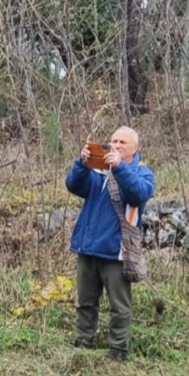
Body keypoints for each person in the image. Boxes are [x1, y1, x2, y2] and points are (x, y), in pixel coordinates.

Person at [66, 127, 155, 362]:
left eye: (122, 142)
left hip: (116, 251)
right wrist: (82, 164)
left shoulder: (142, 173)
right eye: (113, 140)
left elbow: (138, 194)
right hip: (88, 247)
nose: (115, 144)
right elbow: (74, 186)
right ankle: (83, 341)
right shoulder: (97, 172)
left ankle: (118, 350)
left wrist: (120, 168)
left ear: (134, 148)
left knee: (119, 305)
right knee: (85, 301)